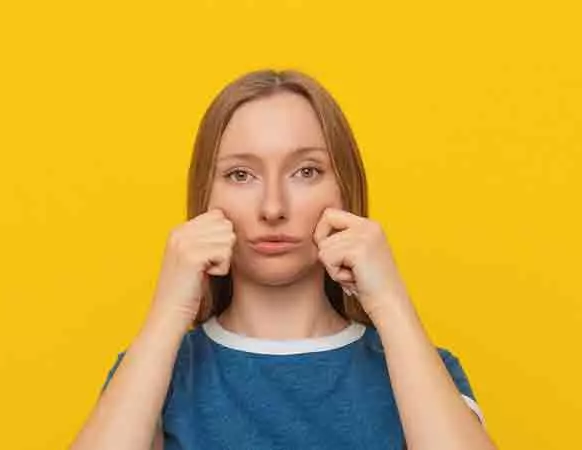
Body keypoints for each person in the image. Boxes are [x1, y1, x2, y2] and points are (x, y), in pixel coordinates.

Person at [70, 69, 497, 450]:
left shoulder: (423, 369)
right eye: (241, 175)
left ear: (344, 190)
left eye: (306, 171)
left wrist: (389, 302)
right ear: (206, 197)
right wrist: (169, 311)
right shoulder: (153, 370)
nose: (273, 207)